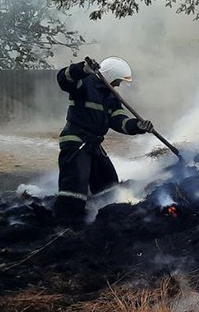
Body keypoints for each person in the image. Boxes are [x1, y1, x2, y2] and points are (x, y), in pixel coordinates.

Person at [53, 56, 154, 222]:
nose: (118, 85)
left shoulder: (112, 97)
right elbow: (63, 79)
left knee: (108, 183)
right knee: (75, 187)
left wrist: (139, 126)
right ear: (110, 76)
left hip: (93, 144)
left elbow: (120, 121)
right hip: (76, 141)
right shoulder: (84, 83)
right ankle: (64, 224)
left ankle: (101, 217)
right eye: (118, 81)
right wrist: (82, 69)